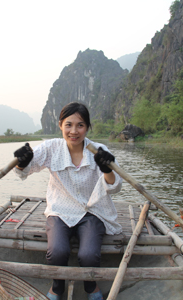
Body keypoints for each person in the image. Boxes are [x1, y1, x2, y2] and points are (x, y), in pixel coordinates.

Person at [13, 102, 122, 300]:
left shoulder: (99, 150)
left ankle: (91, 287)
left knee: (88, 255)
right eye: (68, 125)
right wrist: (22, 161)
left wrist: (107, 170)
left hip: (92, 211)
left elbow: (114, 187)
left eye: (80, 125)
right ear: (61, 125)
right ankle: (57, 287)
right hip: (60, 211)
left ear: (87, 127)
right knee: (57, 252)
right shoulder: (50, 148)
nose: (74, 131)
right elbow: (23, 172)